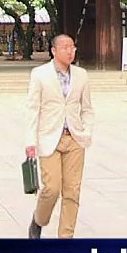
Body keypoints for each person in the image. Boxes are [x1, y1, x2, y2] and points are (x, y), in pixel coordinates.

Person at [25, 35, 94, 239]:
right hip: (49, 138)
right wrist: (30, 141)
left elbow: (87, 108)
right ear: (54, 51)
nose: (70, 51)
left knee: (72, 191)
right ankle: (38, 220)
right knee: (52, 188)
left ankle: (66, 238)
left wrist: (86, 131)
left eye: (72, 47)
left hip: (74, 137)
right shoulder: (40, 74)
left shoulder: (81, 75)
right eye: (65, 47)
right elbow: (32, 109)